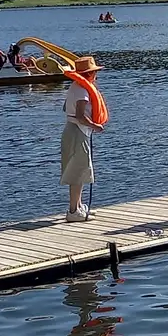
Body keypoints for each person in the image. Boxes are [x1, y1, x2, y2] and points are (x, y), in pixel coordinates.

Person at [62, 56, 108, 221]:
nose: (95, 75)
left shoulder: (75, 86)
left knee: (78, 169)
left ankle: (79, 206)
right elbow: (81, 116)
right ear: (89, 74)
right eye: (94, 72)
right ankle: (73, 211)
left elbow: (65, 108)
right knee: (78, 171)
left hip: (72, 130)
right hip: (77, 131)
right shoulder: (82, 91)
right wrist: (96, 126)